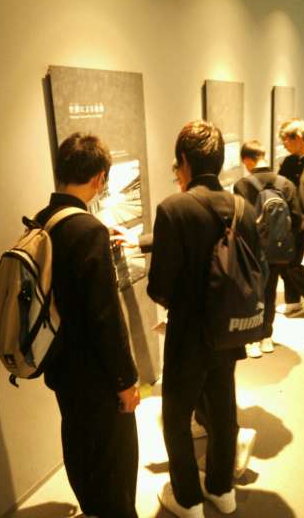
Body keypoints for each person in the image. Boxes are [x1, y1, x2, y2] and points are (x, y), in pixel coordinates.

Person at [147, 121, 263, 518]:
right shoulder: (243, 207)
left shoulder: (172, 209)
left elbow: (159, 287)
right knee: (223, 409)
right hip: (230, 329)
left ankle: (188, 500)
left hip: (188, 335)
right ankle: (221, 490)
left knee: (177, 417)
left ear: (184, 160)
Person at [35, 133, 140, 518]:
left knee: (79, 444)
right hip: (96, 376)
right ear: (99, 178)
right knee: (115, 461)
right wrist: (126, 381)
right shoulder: (88, 230)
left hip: (60, 366)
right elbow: (105, 319)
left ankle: (92, 508)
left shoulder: (42, 221)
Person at [234, 140, 302, 358]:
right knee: (270, 291)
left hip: (251, 251)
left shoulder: (242, 185)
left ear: (247, 160)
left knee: (253, 293)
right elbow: (298, 219)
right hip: (276, 251)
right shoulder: (286, 184)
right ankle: (266, 336)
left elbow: (240, 221)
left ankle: (251, 339)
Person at [276, 119, 304, 316]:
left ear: (298, 137)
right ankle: (293, 301)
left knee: (291, 263)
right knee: (283, 262)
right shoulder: (287, 162)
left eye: (286, 139)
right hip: (287, 221)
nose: (284, 144)